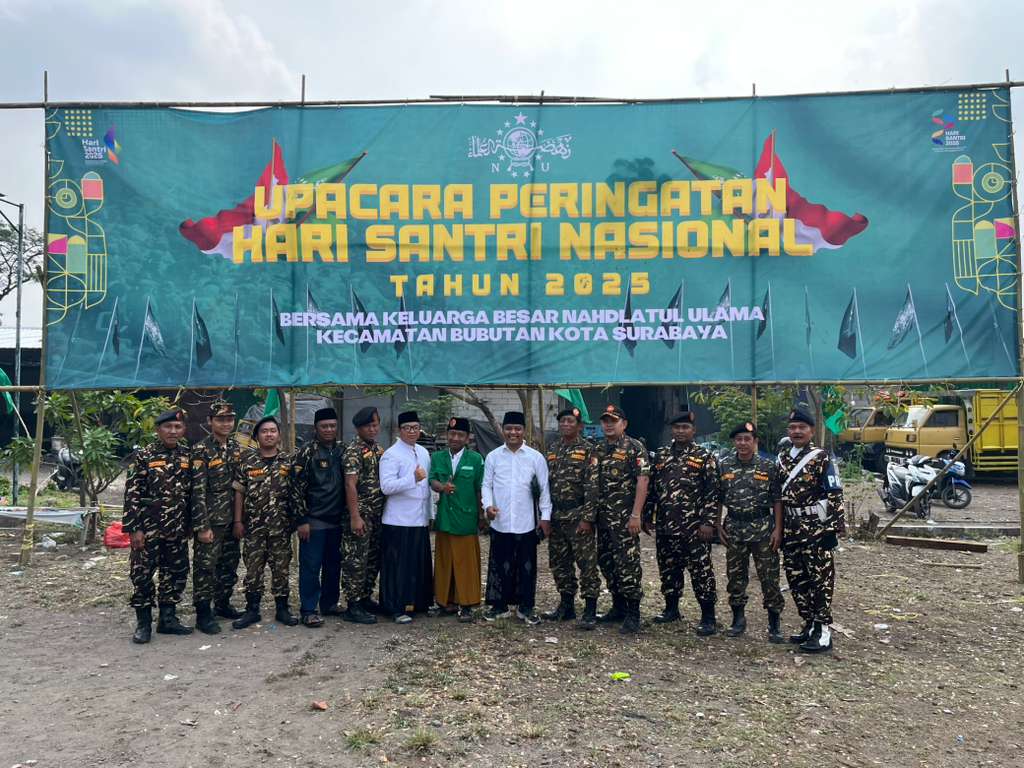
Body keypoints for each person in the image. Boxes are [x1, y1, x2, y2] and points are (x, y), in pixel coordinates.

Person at [123, 409, 196, 644]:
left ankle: (167, 619)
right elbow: (132, 494)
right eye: (168, 427)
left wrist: (191, 524)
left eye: (177, 427)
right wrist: (134, 529)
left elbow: (192, 493)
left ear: (183, 430)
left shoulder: (187, 455)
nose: (173, 431)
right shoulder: (144, 455)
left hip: (177, 528)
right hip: (149, 528)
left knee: (176, 573)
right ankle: (143, 623)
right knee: (142, 574)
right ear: (158, 429)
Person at [777, 408, 845, 654]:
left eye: (802, 427)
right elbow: (777, 496)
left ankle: (823, 630)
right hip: (791, 529)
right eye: (793, 427)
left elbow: (834, 493)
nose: (797, 431)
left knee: (820, 580)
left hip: (816, 529)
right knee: (797, 579)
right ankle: (809, 623)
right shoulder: (783, 458)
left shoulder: (821, 457)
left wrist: (833, 529)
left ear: (812, 431)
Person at [647, 411, 721, 636]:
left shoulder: (704, 456)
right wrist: (647, 516)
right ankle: (671, 609)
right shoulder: (661, 455)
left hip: (694, 528)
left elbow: (713, 492)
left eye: (685, 427)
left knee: (701, 572)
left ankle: (708, 617)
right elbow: (652, 489)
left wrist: (708, 522)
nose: (680, 431)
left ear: (693, 430)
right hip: (666, 525)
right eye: (677, 427)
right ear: (672, 430)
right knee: (668, 569)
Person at [717, 421, 786, 643]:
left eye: (747, 439)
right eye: (739, 439)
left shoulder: (768, 466)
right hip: (735, 528)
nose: (743, 443)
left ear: (755, 441)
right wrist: (717, 524)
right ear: (734, 442)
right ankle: (738, 619)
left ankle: (774, 624)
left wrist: (778, 529)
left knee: (769, 577)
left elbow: (777, 500)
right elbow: (718, 498)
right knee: (735, 577)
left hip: (763, 529)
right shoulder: (724, 465)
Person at [482, 411, 552, 626]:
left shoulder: (535, 457)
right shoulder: (493, 457)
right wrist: (488, 506)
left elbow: (544, 489)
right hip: (501, 522)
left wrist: (545, 517)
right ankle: (499, 606)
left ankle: (526, 607)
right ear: (503, 430)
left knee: (526, 568)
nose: (513, 432)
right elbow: (486, 485)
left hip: (526, 522)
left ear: (524, 431)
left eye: (517, 428)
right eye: (509, 428)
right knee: (499, 564)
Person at [586, 404, 649, 634]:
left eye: (613, 421)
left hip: (625, 520)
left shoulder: (634, 447)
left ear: (624, 424)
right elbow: (592, 483)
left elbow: (643, 481)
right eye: (605, 421)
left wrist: (636, 515)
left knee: (628, 564)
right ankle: (618, 606)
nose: (608, 425)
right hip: (603, 520)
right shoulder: (598, 448)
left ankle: (633, 613)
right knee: (607, 562)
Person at [231, 416, 299, 629]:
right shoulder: (246, 461)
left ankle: (282, 609)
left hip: (281, 527)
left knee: (281, 569)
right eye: (264, 431)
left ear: (279, 435)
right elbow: (239, 492)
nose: (269, 434)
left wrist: (297, 520)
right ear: (257, 436)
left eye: (273, 431)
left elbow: (296, 493)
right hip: (254, 528)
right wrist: (237, 521)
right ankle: (252, 610)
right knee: (253, 570)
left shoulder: (288, 461)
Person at [189, 399, 245, 635]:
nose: (226, 423)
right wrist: (202, 526)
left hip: (233, 519)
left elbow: (241, 485)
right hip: (211, 521)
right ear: (210, 421)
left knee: (229, 564)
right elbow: (197, 490)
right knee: (205, 567)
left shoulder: (237, 448)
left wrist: (240, 519)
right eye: (221, 419)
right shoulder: (201, 450)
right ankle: (203, 614)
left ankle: (222, 604)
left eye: (230, 419)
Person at [542, 407, 600, 630]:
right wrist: (545, 516)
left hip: (578, 515)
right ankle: (566, 606)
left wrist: (587, 518)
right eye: (563, 421)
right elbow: (545, 484)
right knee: (559, 563)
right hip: (557, 515)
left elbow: (592, 487)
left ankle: (590, 610)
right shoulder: (553, 448)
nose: (565, 424)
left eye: (570, 421)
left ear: (580, 426)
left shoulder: (588, 450)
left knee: (586, 564)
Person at [378, 411, 433, 624]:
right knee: (398, 567)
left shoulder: (423, 452)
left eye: (415, 428)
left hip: (419, 519)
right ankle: (395, 607)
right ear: (399, 430)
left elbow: (427, 487)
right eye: (407, 428)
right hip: (398, 520)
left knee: (417, 564)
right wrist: (412, 478)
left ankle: (417, 603)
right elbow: (386, 486)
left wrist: (430, 514)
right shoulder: (391, 455)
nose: (412, 431)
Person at [291, 407, 344, 628]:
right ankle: (309, 609)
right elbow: (296, 488)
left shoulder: (342, 450)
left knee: (333, 565)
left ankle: (329, 603)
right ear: (316, 428)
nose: (329, 429)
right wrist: (302, 520)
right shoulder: (306, 452)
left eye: (332, 425)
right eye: (324, 426)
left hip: (337, 520)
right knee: (311, 567)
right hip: (314, 521)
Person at [429, 417, 485, 622]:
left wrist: (482, 515)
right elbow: (432, 480)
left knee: (465, 563)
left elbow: (480, 488)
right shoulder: (437, 457)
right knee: (444, 562)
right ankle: (445, 602)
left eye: (460, 435)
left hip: (466, 517)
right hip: (445, 517)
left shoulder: (475, 459)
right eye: (452, 434)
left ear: (467, 438)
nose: (455, 438)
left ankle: (467, 604)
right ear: (446, 435)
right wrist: (441, 487)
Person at [342, 406, 386, 624]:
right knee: (356, 560)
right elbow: (350, 484)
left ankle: (366, 597)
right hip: (361, 515)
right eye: (368, 426)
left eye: (375, 425)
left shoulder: (378, 449)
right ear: (358, 428)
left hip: (377, 514)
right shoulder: (354, 451)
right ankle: (353, 605)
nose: (372, 429)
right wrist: (355, 517)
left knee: (372, 559)